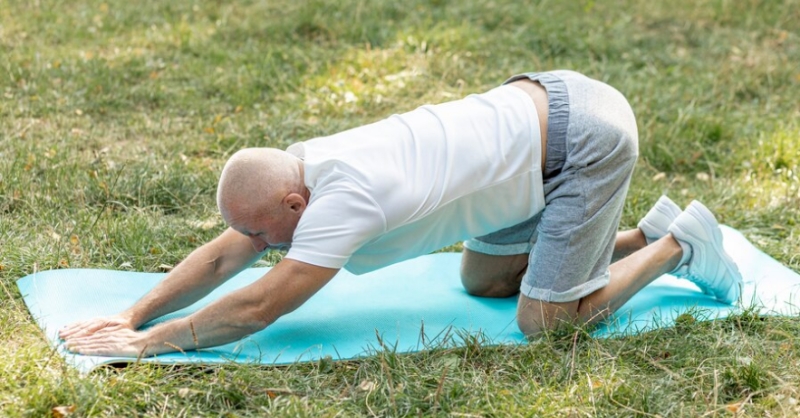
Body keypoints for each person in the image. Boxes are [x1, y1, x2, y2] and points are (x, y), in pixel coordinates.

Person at [60, 70, 743, 357]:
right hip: (535, 122)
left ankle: (678, 245)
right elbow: (223, 256)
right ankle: (641, 232)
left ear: (295, 204)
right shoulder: (300, 170)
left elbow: (258, 306)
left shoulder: (340, 201)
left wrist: (153, 343)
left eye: (263, 231)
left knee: (545, 322)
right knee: (484, 282)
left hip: (584, 140)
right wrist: (129, 313)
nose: (252, 243)